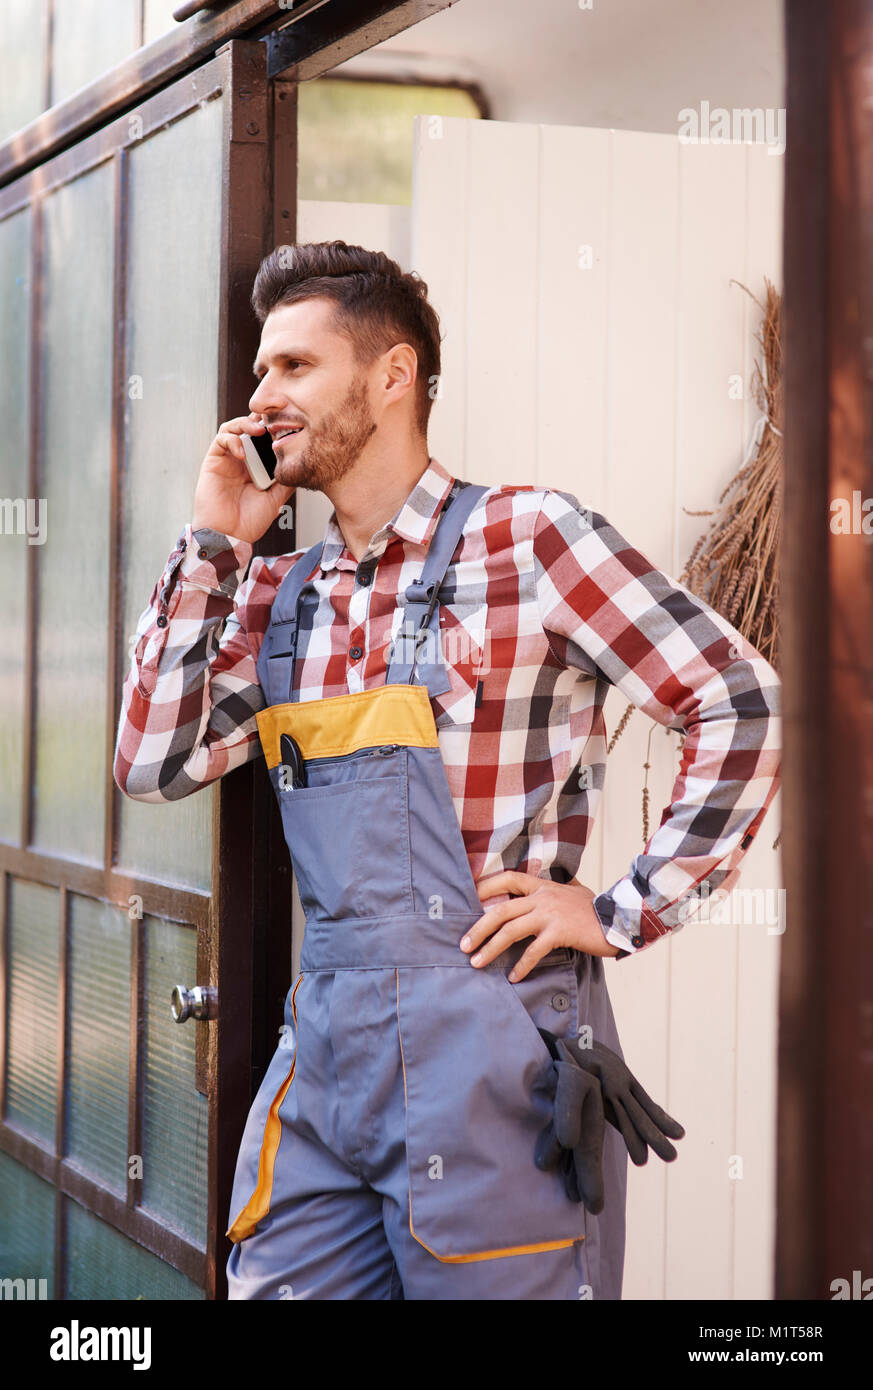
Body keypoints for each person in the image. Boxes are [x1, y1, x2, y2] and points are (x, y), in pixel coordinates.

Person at [113, 240, 781, 1301]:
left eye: (293, 366)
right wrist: (211, 545)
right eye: (259, 373)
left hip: (492, 1054)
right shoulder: (282, 594)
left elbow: (741, 701)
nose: (261, 396)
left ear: (392, 377)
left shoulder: (528, 542)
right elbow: (149, 762)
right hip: (328, 1055)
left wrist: (617, 911)